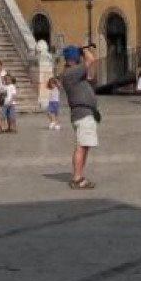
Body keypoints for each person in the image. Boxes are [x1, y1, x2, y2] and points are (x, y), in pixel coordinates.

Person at [59, 44, 99, 189]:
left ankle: (79, 175)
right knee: (81, 146)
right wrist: (84, 50)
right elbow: (91, 59)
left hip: (85, 113)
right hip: (82, 114)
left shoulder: (76, 73)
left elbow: (91, 74)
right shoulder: (71, 72)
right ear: (75, 58)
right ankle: (77, 178)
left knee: (85, 146)